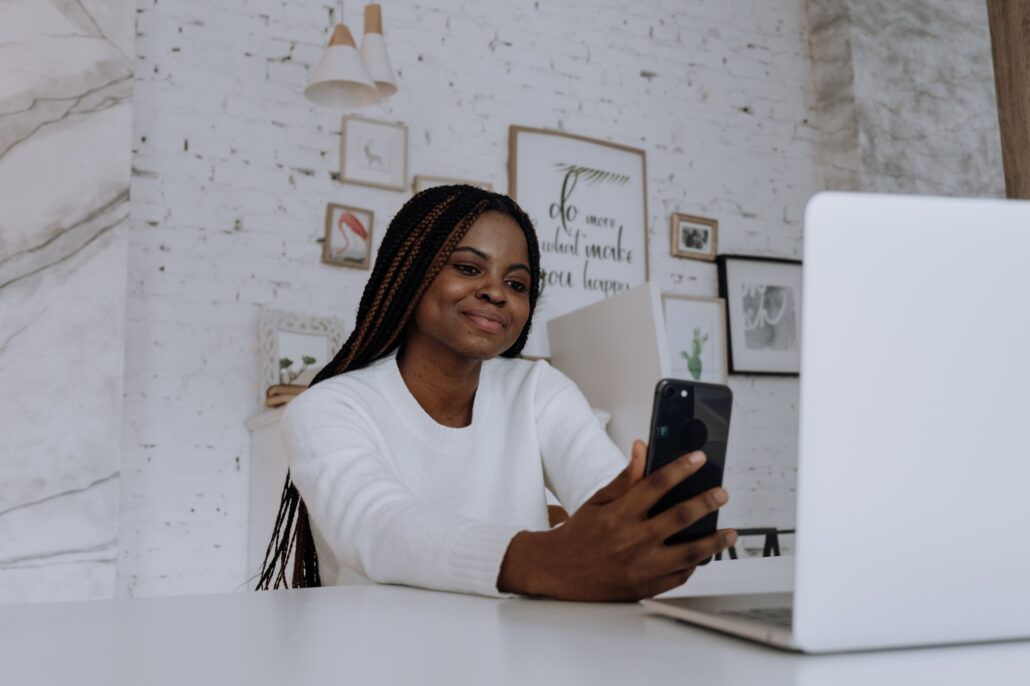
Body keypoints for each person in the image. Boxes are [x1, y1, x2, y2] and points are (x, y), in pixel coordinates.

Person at [256, 185, 736, 600]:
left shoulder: (536, 389)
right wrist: (547, 560)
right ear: (410, 274)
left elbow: (600, 486)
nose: (496, 292)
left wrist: (635, 511)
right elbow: (376, 527)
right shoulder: (328, 408)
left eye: (516, 282)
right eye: (468, 268)